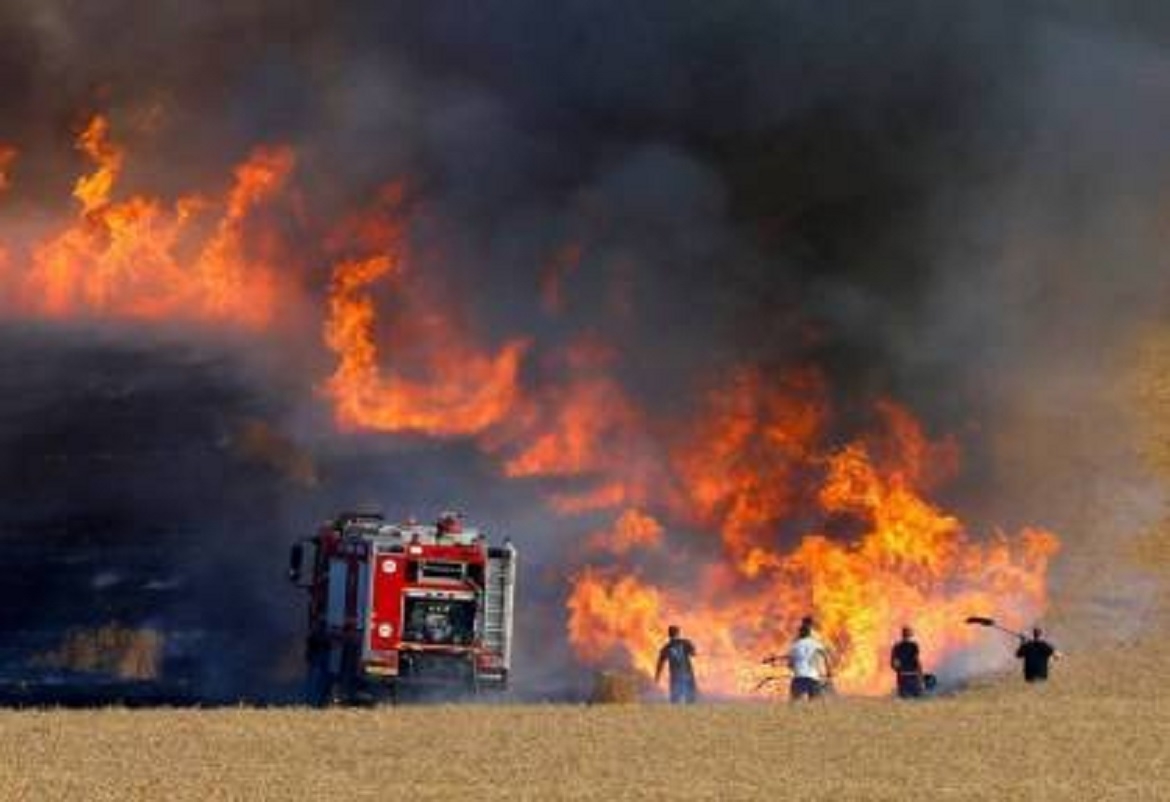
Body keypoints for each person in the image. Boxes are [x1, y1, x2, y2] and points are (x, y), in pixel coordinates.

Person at [655, 625, 698, 704]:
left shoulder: (666, 647)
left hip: (675, 675)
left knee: (675, 698)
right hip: (687, 673)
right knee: (690, 697)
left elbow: (660, 664)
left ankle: (676, 714)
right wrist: (693, 648)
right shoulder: (685, 642)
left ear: (669, 634)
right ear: (678, 633)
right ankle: (690, 713)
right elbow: (693, 654)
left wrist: (657, 676)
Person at [787, 623, 831, 701]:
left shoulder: (794, 646)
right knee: (814, 704)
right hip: (813, 678)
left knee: (794, 704)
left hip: (799, 678)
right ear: (809, 634)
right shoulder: (815, 643)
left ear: (799, 633)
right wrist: (829, 671)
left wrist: (795, 667)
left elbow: (790, 665)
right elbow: (825, 655)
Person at [890, 626, 925, 698]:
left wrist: (898, 671)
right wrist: (920, 674)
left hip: (903, 675)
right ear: (909, 635)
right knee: (916, 697)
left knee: (903, 697)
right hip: (913, 675)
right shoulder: (914, 645)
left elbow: (892, 663)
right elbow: (917, 661)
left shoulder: (896, 646)